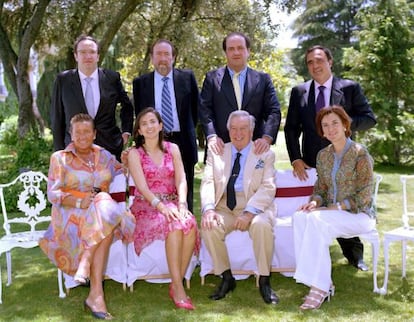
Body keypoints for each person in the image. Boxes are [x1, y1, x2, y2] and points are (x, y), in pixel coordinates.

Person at [284, 45, 377, 271]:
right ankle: (311, 260)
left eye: (319, 60)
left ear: (330, 62)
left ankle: (355, 256)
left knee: (344, 203)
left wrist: (340, 124)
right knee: (316, 205)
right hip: (312, 161)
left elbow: (369, 118)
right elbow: (290, 129)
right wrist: (295, 158)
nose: (315, 66)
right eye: (310, 63)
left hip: (346, 160)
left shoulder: (349, 88)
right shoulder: (299, 92)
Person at [40, 113, 135, 320]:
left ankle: (91, 279)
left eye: (87, 131)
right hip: (71, 217)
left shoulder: (105, 156)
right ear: (71, 134)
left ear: (94, 134)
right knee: (104, 212)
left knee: (102, 201)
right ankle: (95, 293)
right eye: (78, 132)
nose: (82, 136)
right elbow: (53, 193)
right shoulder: (60, 158)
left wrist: (127, 163)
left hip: (101, 214)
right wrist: (79, 200)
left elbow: (122, 174)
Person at [292, 105, 376, 310]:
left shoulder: (360, 153)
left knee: (317, 221)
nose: (330, 129)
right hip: (332, 214)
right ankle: (320, 281)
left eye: (334, 123)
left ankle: (319, 287)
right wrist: (315, 202)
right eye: (325, 125)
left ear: (345, 124)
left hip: (359, 215)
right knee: (300, 217)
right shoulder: (323, 155)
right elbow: (320, 188)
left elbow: (365, 194)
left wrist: (338, 206)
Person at [200, 110, 279, 305]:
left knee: (261, 225)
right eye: (233, 129)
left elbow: (268, 187)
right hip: (225, 206)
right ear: (228, 130)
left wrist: (249, 212)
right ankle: (226, 278)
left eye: (243, 128)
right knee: (209, 226)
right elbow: (208, 181)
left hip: (254, 205)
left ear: (252, 131)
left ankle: (264, 280)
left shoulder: (264, 154)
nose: (238, 133)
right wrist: (209, 209)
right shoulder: (217, 152)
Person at [128, 107, 199, 310]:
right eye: (144, 124)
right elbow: (141, 186)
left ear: (160, 126)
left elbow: (181, 179)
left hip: (173, 202)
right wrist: (160, 206)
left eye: (153, 122)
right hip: (147, 204)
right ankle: (178, 288)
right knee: (174, 226)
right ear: (139, 130)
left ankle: (175, 282)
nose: (149, 126)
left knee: (190, 223)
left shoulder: (172, 148)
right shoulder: (135, 153)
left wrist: (183, 204)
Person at [133, 39, 199, 213]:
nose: (163, 58)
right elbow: (140, 115)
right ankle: (159, 229)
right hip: (153, 142)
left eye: (166, 54)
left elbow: (196, 110)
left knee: (186, 189)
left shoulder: (187, 78)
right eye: (158, 54)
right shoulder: (140, 83)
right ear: (152, 58)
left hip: (183, 141)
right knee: (157, 187)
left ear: (173, 57)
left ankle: (187, 227)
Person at [51, 35, 134, 160]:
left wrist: (126, 131)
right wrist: (60, 152)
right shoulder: (63, 80)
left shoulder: (111, 78)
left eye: (92, 52)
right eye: (83, 52)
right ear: (75, 56)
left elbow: (127, 106)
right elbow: (57, 117)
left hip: (109, 148)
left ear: (98, 56)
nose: (88, 56)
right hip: (74, 151)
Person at [199, 32, 281, 156]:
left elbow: (273, 111)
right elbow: (204, 110)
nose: (236, 52)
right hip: (220, 149)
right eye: (231, 49)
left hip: (256, 150)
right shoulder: (212, 78)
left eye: (240, 48)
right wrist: (212, 136)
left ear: (248, 51)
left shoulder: (263, 79)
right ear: (225, 52)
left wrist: (267, 138)